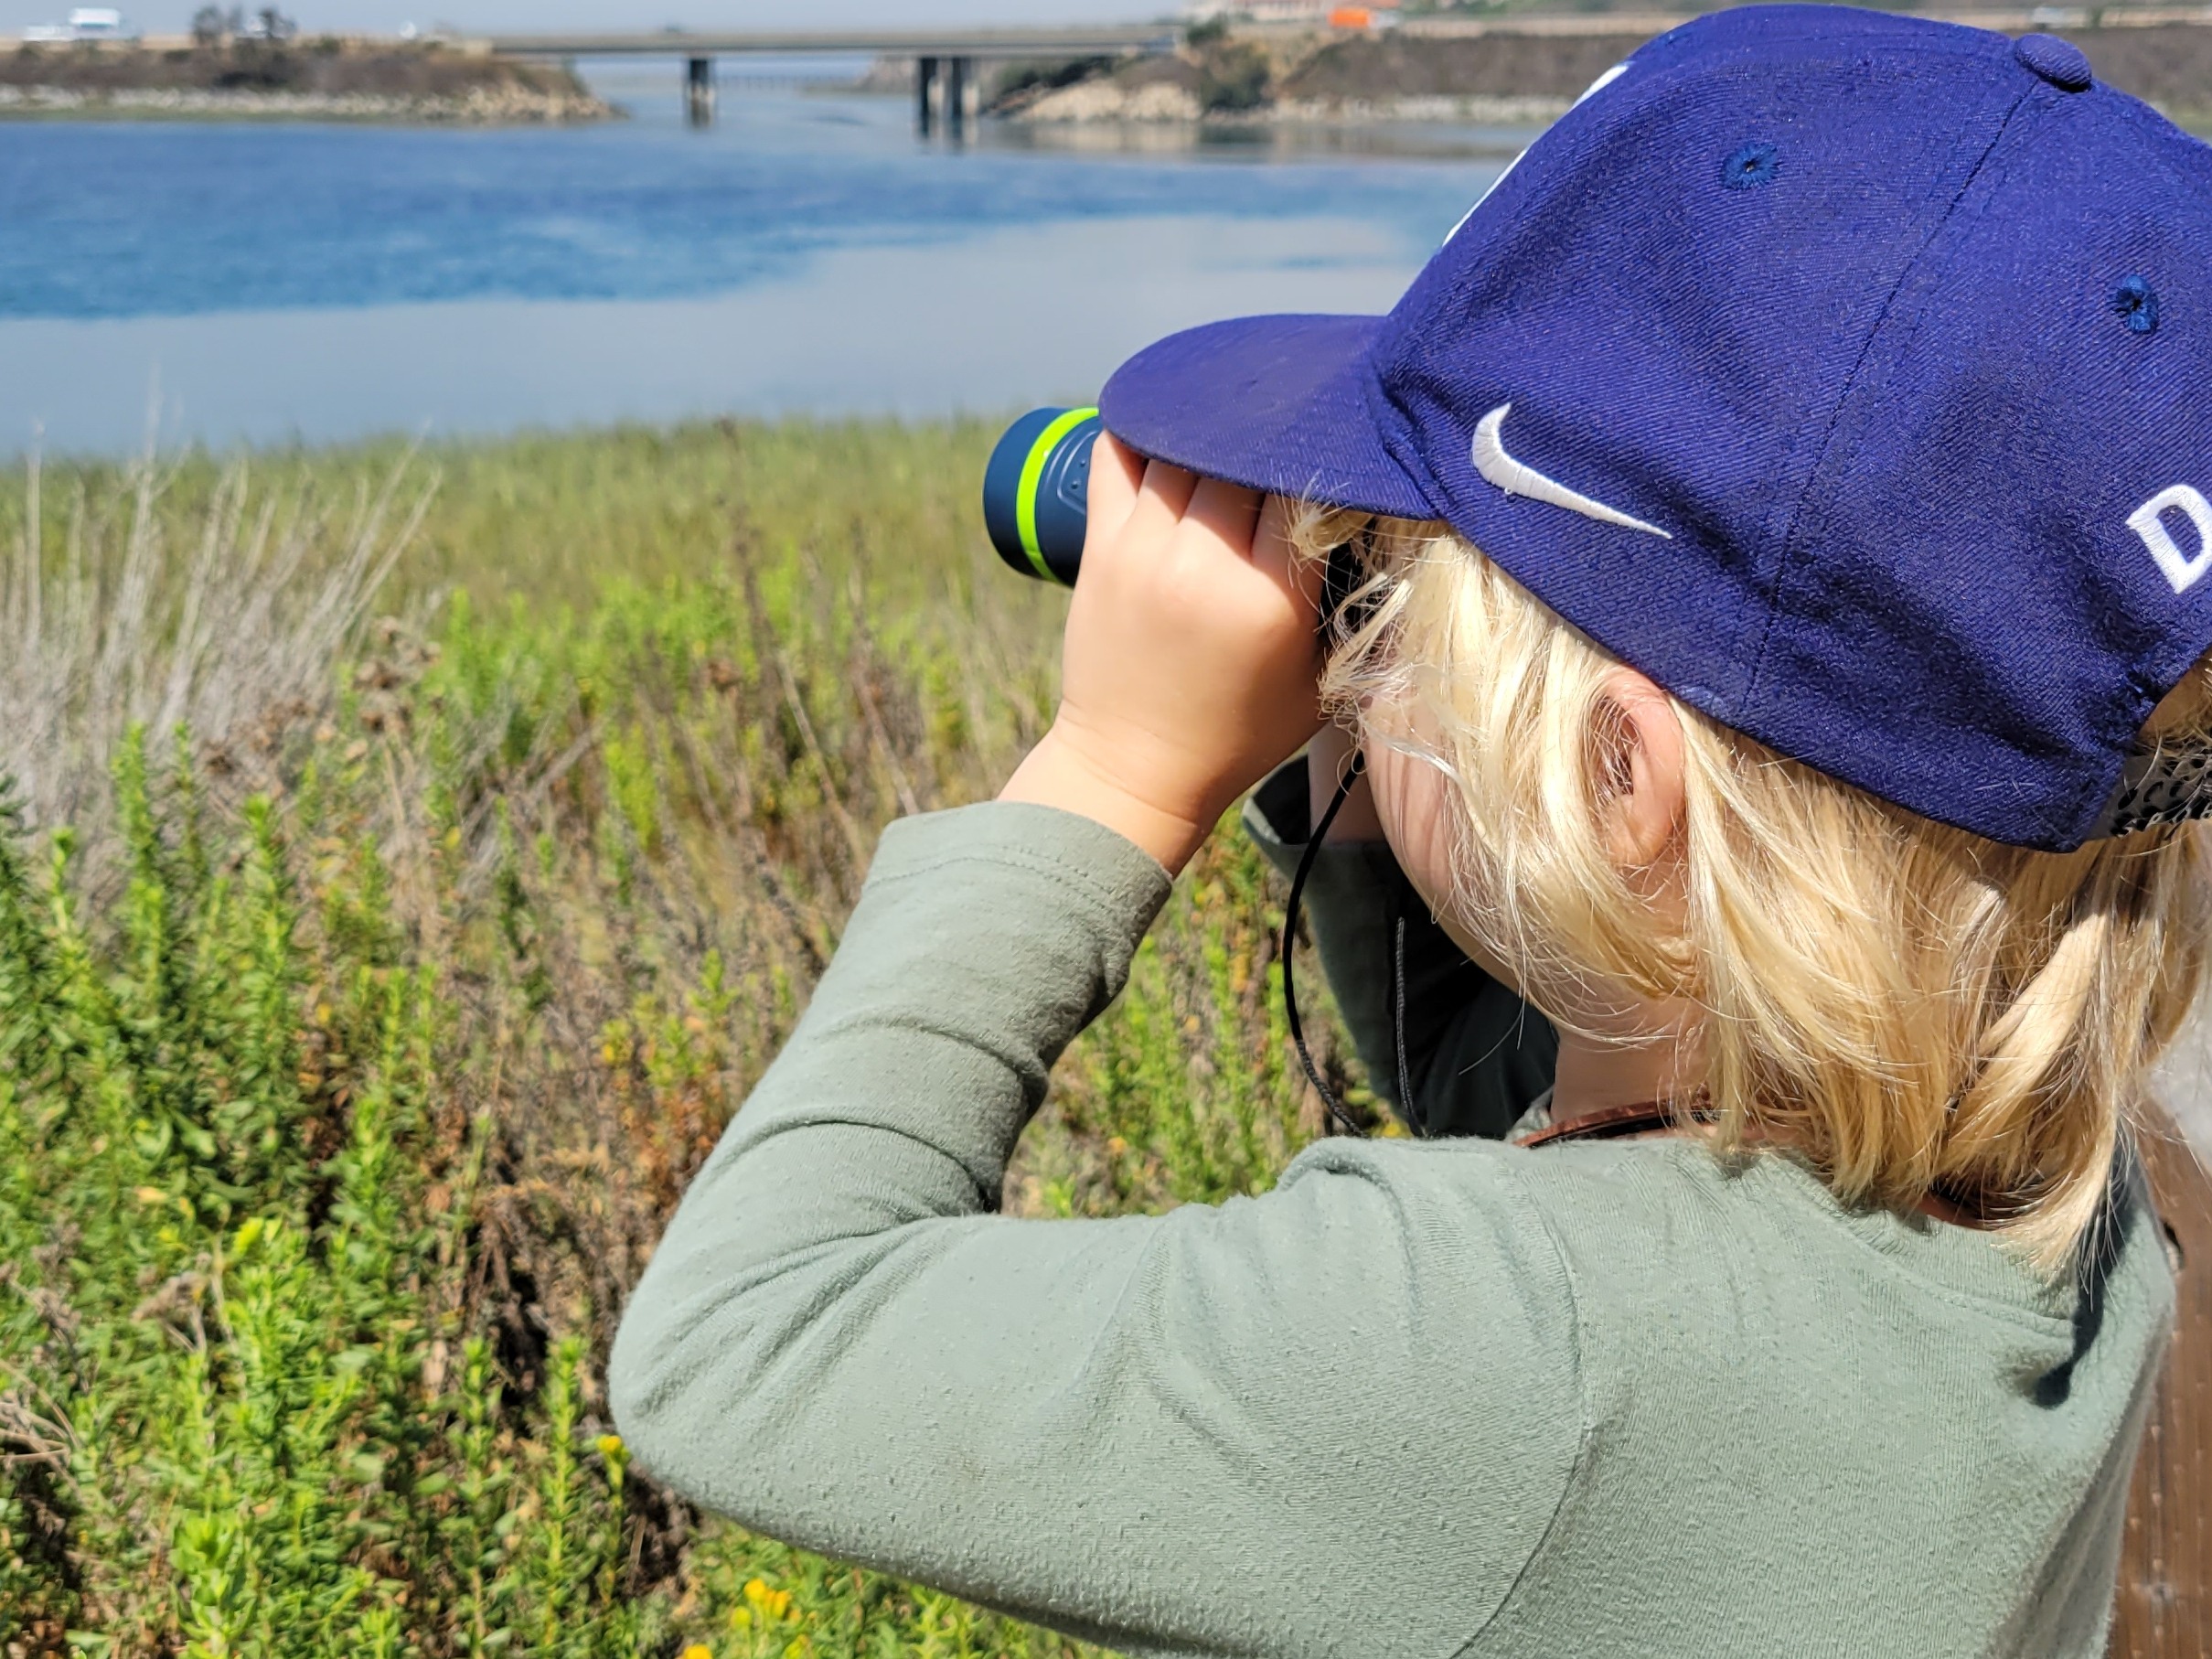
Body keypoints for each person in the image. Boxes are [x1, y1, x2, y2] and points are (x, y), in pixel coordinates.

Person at [609, 8, 2212, 1654]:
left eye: (1399, 600)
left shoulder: (1510, 1358)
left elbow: (743, 1337)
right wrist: (1371, 770)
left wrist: (1120, 770)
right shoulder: (2054, 1194)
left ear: (1620, 782)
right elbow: (1508, 1098)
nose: (1359, 636)